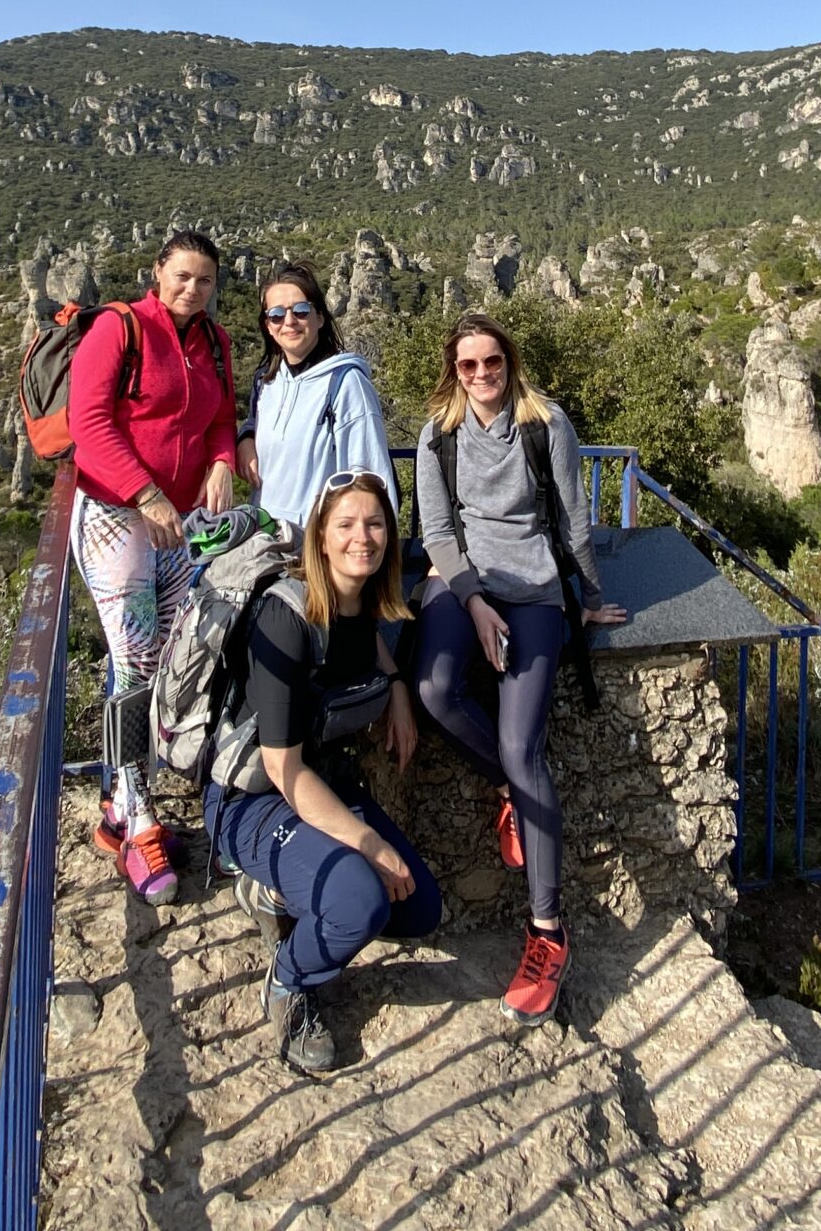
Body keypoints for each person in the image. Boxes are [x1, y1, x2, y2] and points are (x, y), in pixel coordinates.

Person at [410, 312, 628, 1023]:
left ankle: (547, 930)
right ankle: (510, 791)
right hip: (462, 582)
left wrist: (588, 600)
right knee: (436, 688)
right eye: (468, 365)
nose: (481, 376)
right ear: (454, 371)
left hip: (534, 590)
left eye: (492, 362)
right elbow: (438, 533)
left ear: (510, 363)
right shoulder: (437, 435)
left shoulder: (545, 424)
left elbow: (571, 520)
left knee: (520, 745)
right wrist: (471, 602)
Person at [208, 471, 438, 1075]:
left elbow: (367, 645)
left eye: (375, 522)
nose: (363, 537)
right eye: (346, 525)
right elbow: (283, 768)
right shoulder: (285, 619)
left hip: (324, 785)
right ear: (321, 537)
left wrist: (397, 691)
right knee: (361, 901)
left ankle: (277, 890)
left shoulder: (361, 604)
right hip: (252, 800)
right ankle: (288, 982)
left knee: (417, 910)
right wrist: (367, 843)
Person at [66, 228, 240, 904]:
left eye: (205, 280)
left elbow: (220, 418)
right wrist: (143, 492)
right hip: (118, 518)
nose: (193, 289)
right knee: (136, 663)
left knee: (172, 658)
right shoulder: (119, 329)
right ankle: (137, 823)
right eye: (183, 276)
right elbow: (90, 422)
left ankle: (120, 800)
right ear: (157, 272)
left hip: (180, 526)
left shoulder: (215, 344)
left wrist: (223, 458)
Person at [236, 260, 396, 532]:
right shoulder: (266, 381)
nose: (289, 321)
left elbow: (370, 474)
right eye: (276, 314)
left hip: (317, 549)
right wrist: (245, 438)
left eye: (300, 310)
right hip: (265, 543)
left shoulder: (345, 383)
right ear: (267, 326)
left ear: (319, 317)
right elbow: (254, 421)